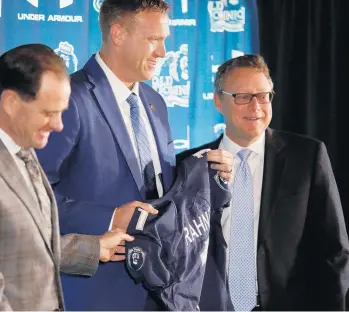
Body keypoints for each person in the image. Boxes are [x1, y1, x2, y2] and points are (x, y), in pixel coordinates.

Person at [35, 0, 233, 310]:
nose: (163, 52)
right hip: (97, 292)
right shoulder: (68, 99)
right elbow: (32, 198)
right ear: (118, 34)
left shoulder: (154, 101)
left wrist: (206, 175)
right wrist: (111, 218)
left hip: (162, 289)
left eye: (164, 40)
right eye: (154, 39)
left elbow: (160, 186)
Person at [0, 44, 134, 311]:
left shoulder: (20, 143)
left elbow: (23, 243)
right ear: (12, 103)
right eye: (48, 113)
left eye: (61, 111)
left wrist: (93, 248)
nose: (58, 125)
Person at [177, 54, 349, 310]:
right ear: (218, 102)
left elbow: (335, 250)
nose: (256, 106)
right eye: (243, 97)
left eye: (263, 95)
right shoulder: (189, 165)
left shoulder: (307, 157)